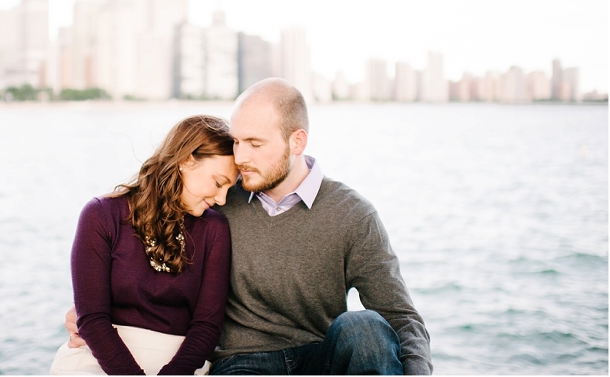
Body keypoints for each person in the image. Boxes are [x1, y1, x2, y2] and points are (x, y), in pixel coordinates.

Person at [67, 78, 432, 375]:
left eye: (255, 144)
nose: (240, 158)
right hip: (244, 363)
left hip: (321, 356)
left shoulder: (352, 214)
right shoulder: (216, 197)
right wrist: (89, 314)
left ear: (296, 142)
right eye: (237, 142)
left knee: (365, 328)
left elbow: (400, 317)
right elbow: (146, 236)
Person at [51, 115, 239, 375]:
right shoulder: (102, 215)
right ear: (186, 160)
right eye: (218, 183)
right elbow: (92, 318)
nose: (222, 198)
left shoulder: (214, 229)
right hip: (101, 358)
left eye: (230, 188)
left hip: (181, 362)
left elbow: (207, 326)